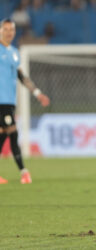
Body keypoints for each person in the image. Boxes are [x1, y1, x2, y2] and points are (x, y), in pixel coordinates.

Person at [0, 19, 50, 184]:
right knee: (12, 131)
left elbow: (22, 77)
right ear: (0, 30)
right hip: (1, 102)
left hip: (9, 101)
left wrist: (37, 93)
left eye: (11, 29)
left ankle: (23, 172)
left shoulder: (14, 52)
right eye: (5, 29)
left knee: (5, 133)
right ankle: (24, 172)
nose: (9, 32)